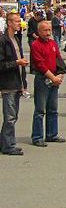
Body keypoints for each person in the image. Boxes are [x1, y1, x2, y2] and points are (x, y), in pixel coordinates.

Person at [30, 20, 66, 147]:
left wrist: (60, 75)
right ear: (39, 32)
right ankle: (37, 136)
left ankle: (52, 134)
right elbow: (40, 65)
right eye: (45, 30)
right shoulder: (35, 45)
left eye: (49, 30)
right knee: (40, 110)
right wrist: (53, 78)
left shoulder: (53, 43)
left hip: (54, 78)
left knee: (53, 109)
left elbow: (59, 59)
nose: (48, 33)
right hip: (42, 79)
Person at [0, 12, 28, 155]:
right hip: (8, 83)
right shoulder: (3, 40)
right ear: (9, 23)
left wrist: (24, 83)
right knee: (10, 117)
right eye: (17, 21)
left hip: (17, 82)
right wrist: (17, 62)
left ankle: (5, 142)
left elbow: (20, 62)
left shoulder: (16, 38)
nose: (20, 23)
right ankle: (8, 145)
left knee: (13, 116)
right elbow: (1, 64)